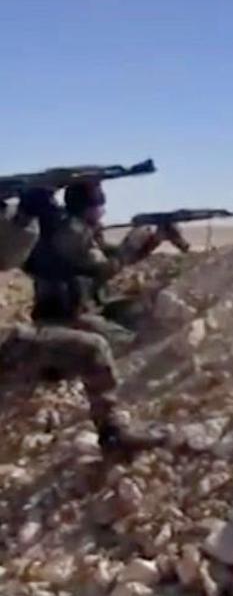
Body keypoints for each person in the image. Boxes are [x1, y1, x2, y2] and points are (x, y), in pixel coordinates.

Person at [0, 191, 164, 456]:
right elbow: (102, 266)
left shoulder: (72, 236)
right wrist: (22, 218)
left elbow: (8, 257)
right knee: (97, 347)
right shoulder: (65, 238)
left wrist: (21, 218)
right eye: (98, 207)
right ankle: (113, 435)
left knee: (130, 314)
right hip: (63, 318)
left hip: (53, 322)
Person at [24, 181, 176, 349]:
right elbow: (105, 268)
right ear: (87, 209)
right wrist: (131, 245)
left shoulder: (78, 231)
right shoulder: (72, 235)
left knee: (142, 312)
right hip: (68, 318)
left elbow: (113, 255)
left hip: (85, 309)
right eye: (99, 207)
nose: (103, 213)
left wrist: (153, 241)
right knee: (133, 344)